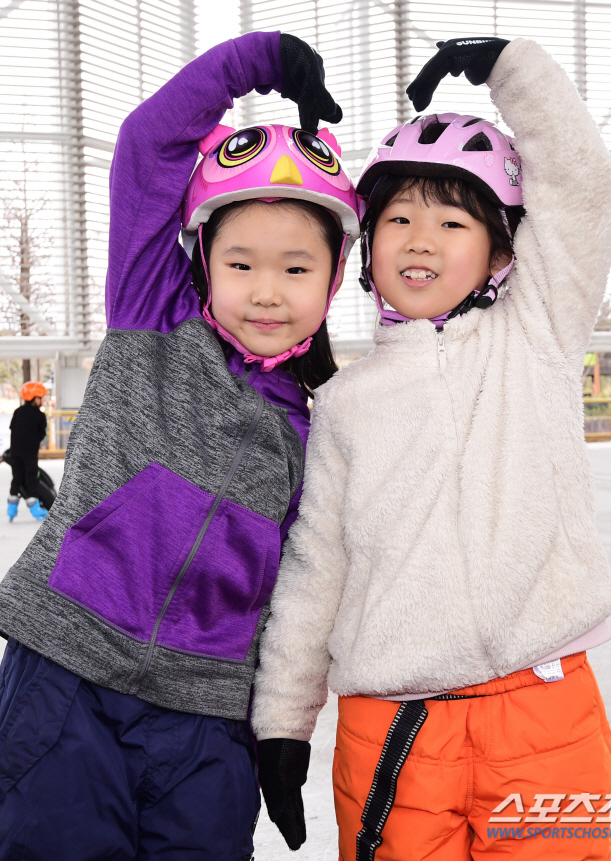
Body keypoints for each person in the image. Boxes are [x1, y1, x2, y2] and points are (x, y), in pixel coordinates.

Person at [252, 37, 611, 861]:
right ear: (366, 252)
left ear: (500, 253)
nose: (421, 238)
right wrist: (283, 719)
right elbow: (316, 572)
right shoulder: (345, 404)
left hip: (542, 710)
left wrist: (510, 71)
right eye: (399, 220)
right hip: (394, 729)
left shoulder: (538, 335)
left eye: (452, 221)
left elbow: (585, 191)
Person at [0, 31, 359, 860]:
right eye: (242, 263)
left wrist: (280, 729)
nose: (267, 291)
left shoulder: (315, 428)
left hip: (204, 722)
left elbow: (303, 594)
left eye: (297, 270)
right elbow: (147, 145)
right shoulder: (150, 313)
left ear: (333, 279)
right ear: (202, 259)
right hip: (67, 678)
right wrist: (257, 62)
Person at [7, 381, 49, 522]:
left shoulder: (17, 412)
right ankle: (36, 509)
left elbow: (13, 429)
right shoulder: (40, 416)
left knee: (17, 478)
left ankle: (11, 509)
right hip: (30, 454)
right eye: (41, 397)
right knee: (31, 478)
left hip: (15, 453)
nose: (43, 400)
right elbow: (41, 434)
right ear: (34, 398)